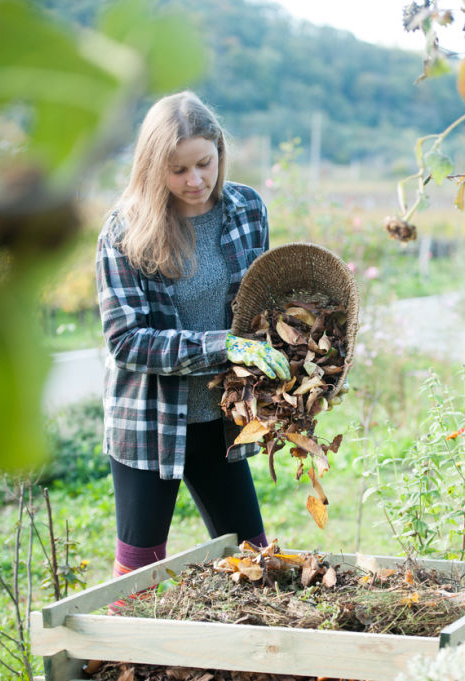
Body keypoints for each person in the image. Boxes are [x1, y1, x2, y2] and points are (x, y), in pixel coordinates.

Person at [95, 91, 290, 609]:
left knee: (253, 559)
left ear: (220, 152)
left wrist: (291, 356)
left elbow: (260, 304)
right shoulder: (124, 231)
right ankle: (122, 662)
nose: (195, 180)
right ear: (152, 167)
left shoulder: (246, 208)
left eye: (204, 163)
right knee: (137, 576)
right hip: (148, 424)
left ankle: (245, 659)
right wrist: (222, 346)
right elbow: (125, 341)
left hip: (220, 421)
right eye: (177, 169)